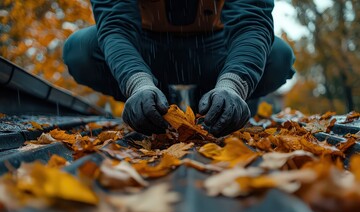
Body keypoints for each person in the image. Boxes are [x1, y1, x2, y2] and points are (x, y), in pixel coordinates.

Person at [63, 0, 295, 137]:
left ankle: (210, 102)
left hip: (216, 48)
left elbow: (252, 24)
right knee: (79, 52)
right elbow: (114, 26)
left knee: (278, 57)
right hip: (144, 48)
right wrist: (136, 84)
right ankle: (157, 103)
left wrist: (234, 85)